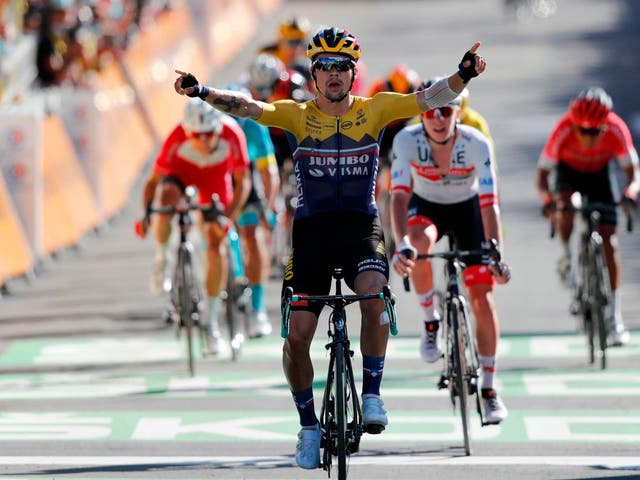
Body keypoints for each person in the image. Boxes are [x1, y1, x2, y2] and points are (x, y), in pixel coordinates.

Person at [173, 27, 486, 470]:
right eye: (325, 67)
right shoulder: (297, 115)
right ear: (315, 74)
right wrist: (202, 91)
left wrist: (464, 75)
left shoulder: (375, 110)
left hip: (360, 228)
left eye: (342, 67)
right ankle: (307, 425)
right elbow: (247, 106)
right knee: (297, 337)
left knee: (375, 297)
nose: (333, 74)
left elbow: (430, 98)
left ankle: (372, 395)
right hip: (312, 235)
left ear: (353, 74)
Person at [389, 78, 511, 424]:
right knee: (420, 245)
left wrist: (495, 253)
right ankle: (431, 321)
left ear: (458, 113)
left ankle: (488, 388)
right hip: (427, 206)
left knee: (482, 299)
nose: (438, 117)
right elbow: (398, 196)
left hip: (470, 209)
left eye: (446, 110)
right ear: (422, 114)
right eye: (430, 111)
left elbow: (490, 203)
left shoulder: (477, 142)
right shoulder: (406, 140)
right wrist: (403, 245)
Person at [138, 99, 251, 354]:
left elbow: (243, 183)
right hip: (182, 174)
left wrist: (229, 215)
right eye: (196, 135)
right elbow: (153, 182)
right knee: (166, 197)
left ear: (218, 130)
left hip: (215, 181)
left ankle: (211, 323)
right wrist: (147, 216)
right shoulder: (176, 136)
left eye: (208, 135)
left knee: (215, 242)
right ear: (187, 131)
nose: (202, 141)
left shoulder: (232, 133)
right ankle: (163, 260)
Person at [535, 86, 639, 346]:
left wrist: (630, 193)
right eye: (583, 130)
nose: (588, 136)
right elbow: (542, 177)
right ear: (575, 125)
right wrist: (548, 201)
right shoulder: (564, 129)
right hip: (569, 174)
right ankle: (567, 256)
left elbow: (633, 172)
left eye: (595, 131)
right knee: (567, 205)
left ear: (605, 126)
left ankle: (614, 317)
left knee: (609, 242)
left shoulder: (616, 129)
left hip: (600, 176)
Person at [230, 85, 281, 338]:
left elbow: (269, 173)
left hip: (246, 178)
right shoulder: (216, 126)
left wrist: (268, 209)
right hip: (219, 177)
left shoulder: (254, 126)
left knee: (252, 234)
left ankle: (258, 307)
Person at [366, 64, 422, 257]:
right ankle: (373, 204)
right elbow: (368, 120)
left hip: (404, 125)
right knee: (375, 168)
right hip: (383, 126)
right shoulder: (377, 89)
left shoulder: (416, 89)